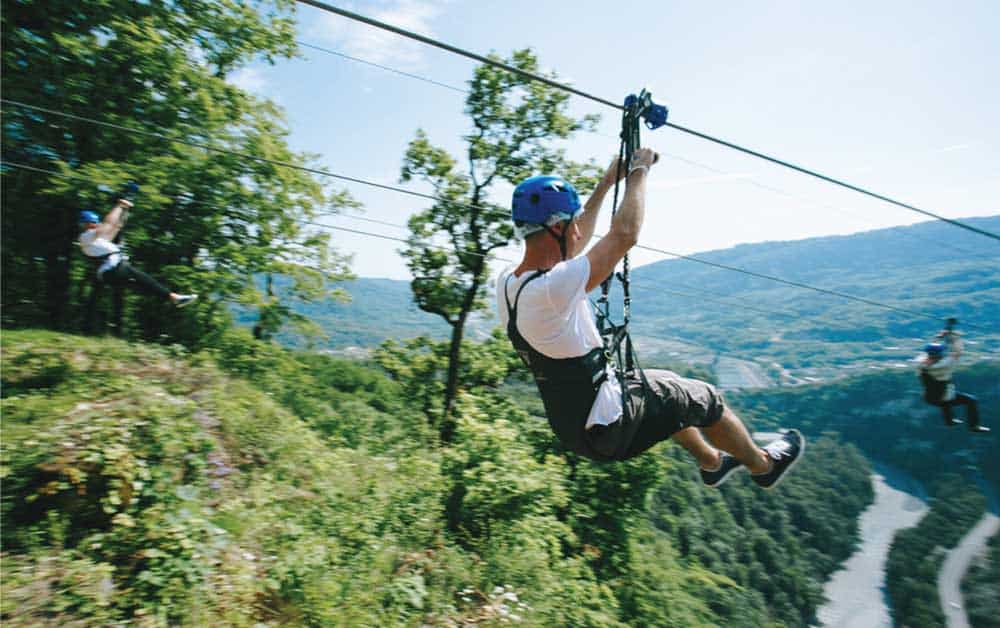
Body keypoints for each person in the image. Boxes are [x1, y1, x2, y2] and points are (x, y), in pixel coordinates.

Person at [497, 150, 805, 489]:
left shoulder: (510, 284)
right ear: (557, 227)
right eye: (571, 223)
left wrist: (606, 183)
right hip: (611, 425)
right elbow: (625, 234)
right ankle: (763, 466)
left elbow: (574, 241)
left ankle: (711, 461)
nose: (578, 231)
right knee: (705, 397)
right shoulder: (553, 288)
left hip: (578, 427)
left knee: (665, 384)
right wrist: (639, 171)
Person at [78, 199, 197, 308]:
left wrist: (125, 210)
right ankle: (174, 297)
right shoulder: (86, 236)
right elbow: (108, 224)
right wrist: (119, 206)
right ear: (88, 224)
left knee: (146, 285)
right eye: (95, 223)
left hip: (111, 273)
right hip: (113, 270)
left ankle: (173, 298)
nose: (98, 225)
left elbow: (116, 226)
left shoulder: (97, 240)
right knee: (142, 278)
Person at [918, 328, 989, 433]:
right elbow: (957, 352)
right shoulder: (944, 365)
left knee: (944, 397)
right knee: (971, 400)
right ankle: (974, 426)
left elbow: (930, 350)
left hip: (929, 397)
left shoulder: (921, 364)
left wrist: (940, 337)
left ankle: (949, 421)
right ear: (940, 355)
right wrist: (954, 336)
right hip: (943, 396)